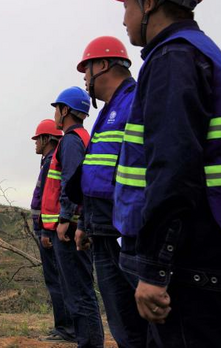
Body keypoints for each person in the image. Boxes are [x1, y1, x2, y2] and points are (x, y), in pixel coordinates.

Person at [112, 0, 221, 347]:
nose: (123, 19)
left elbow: (173, 169)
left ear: (149, 1)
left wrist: (155, 271)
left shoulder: (173, 58)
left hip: (193, 265)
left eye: (126, 5)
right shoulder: (209, 56)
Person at [68, 36, 147, 347]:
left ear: (102, 65)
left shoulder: (136, 101)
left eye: (86, 70)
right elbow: (97, 173)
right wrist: (86, 223)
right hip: (102, 228)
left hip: (127, 231)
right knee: (121, 318)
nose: (85, 79)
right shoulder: (109, 111)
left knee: (140, 319)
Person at [40, 86, 104, 348]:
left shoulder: (71, 141)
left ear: (65, 110)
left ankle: (89, 343)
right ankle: (85, 340)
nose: (55, 114)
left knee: (79, 292)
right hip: (73, 224)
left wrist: (65, 219)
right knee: (77, 290)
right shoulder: (80, 138)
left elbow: (71, 182)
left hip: (68, 228)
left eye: (57, 108)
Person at [30, 119, 75, 343]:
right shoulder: (49, 161)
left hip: (49, 230)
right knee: (57, 279)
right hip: (48, 229)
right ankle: (64, 326)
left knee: (56, 280)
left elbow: (51, 199)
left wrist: (46, 231)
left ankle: (66, 328)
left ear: (47, 139)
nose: (35, 143)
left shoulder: (51, 163)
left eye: (38, 139)